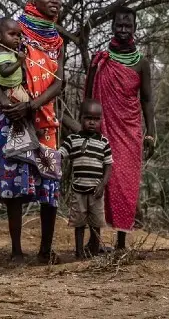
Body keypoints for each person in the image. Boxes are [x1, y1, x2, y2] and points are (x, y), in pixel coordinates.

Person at [0, 0, 81, 264]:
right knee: (15, 185)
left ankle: (46, 251)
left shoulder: (56, 40)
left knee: (49, 182)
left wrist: (33, 105)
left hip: (44, 119)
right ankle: (17, 251)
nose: (56, 0)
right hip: (15, 121)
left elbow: (59, 84)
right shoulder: (15, 29)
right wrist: (9, 104)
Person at [84, 6, 156, 252]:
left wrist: (151, 132)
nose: (123, 29)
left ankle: (121, 245)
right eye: (119, 25)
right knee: (95, 178)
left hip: (129, 131)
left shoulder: (141, 63)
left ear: (135, 28)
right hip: (101, 128)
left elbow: (146, 99)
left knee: (125, 185)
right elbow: (89, 98)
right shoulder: (101, 60)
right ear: (112, 27)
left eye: (128, 26)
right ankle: (93, 241)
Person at [58, 99, 113, 259]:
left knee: (96, 223)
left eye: (96, 119)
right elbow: (60, 154)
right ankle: (79, 252)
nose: (92, 123)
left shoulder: (104, 143)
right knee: (79, 222)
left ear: (100, 121)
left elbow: (108, 165)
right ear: (81, 118)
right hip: (78, 190)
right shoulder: (73, 140)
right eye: (88, 118)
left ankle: (94, 251)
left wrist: (103, 185)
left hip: (96, 191)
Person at [0, 17, 29, 105]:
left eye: (18, 35)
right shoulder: (3, 54)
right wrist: (19, 61)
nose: (17, 38)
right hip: (10, 89)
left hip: (9, 86)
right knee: (26, 103)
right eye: (12, 34)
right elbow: (4, 72)